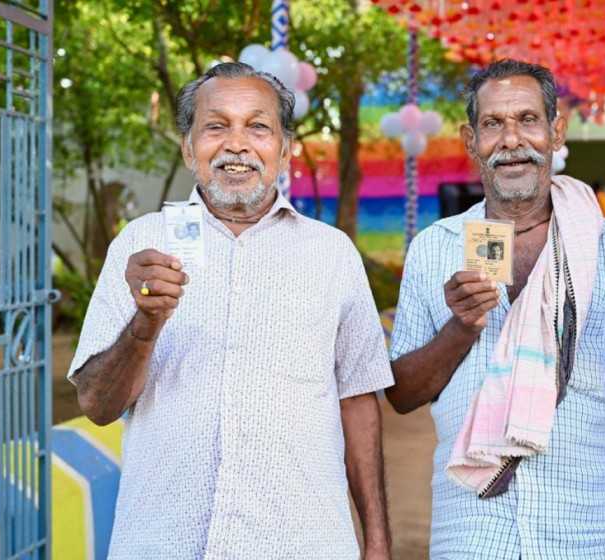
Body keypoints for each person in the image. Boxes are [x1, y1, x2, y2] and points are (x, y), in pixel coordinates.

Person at [68, 62, 393, 559]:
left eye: (257, 126)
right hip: (163, 542)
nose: (236, 144)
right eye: (216, 126)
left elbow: (357, 400)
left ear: (283, 150)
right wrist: (144, 325)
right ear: (187, 147)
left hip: (302, 542)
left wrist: (377, 542)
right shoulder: (141, 245)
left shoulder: (333, 254)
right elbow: (97, 405)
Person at [388, 59, 605, 560]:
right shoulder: (435, 248)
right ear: (472, 141)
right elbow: (402, 393)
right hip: (472, 531)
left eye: (528, 120)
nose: (511, 139)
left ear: (556, 132)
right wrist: (461, 328)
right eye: (493, 124)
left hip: (583, 528)